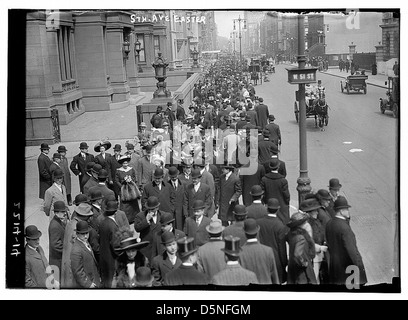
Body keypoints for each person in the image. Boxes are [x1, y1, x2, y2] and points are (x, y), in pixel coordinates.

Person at [325, 196, 367, 286]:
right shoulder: (344, 228)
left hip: (334, 268)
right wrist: (359, 267)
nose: (348, 211)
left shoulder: (329, 224)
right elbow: (351, 251)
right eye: (346, 209)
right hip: (347, 270)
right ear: (341, 211)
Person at [257, 198, 289, 284]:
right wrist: (284, 262)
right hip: (276, 260)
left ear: (267, 208)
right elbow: (282, 247)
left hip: (261, 258)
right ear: (278, 209)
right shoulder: (280, 225)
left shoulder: (258, 222)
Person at [240, 218, 280, 284]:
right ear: (257, 231)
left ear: (244, 232)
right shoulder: (268, 251)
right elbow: (274, 276)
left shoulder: (240, 252)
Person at [299, 198, 329, 284]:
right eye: (314, 211)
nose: (317, 212)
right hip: (313, 257)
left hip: (317, 256)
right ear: (309, 212)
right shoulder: (307, 226)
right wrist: (321, 248)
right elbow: (309, 243)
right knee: (313, 280)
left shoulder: (314, 222)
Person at [286, 211, 317, 285]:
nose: (307, 224)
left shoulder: (291, 234)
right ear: (301, 225)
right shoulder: (301, 237)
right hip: (302, 273)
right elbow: (297, 254)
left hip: (294, 270)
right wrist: (304, 263)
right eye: (305, 222)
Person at [70, 220, 101, 288]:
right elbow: (77, 272)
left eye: (87, 233)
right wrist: (88, 284)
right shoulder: (76, 250)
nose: (85, 236)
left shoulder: (85, 242)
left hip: (93, 279)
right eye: (82, 234)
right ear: (77, 234)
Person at [260, 159, 290, 224]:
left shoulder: (264, 179)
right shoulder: (283, 180)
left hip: (269, 203)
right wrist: (287, 202)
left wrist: (265, 202)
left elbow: (262, 193)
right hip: (281, 205)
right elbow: (286, 195)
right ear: (278, 167)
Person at [99, 200, 121, 288]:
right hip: (111, 259)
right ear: (115, 213)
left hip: (103, 257)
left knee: (105, 281)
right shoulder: (113, 226)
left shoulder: (103, 222)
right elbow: (115, 245)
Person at [134, 196, 163, 261]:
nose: (150, 211)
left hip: (159, 247)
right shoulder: (140, 216)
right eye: (149, 209)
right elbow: (137, 228)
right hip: (147, 249)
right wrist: (146, 220)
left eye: (152, 209)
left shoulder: (163, 215)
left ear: (157, 208)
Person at [115, 155, 140, 224]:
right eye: (124, 163)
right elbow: (116, 180)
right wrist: (122, 185)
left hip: (131, 189)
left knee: (133, 204)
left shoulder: (131, 169)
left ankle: (134, 218)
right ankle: (126, 219)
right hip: (123, 190)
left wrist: (131, 181)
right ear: (122, 164)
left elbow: (134, 177)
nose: (125, 165)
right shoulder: (118, 171)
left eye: (126, 163)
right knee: (125, 205)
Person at [48, 201, 68, 275]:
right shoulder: (54, 225)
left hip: (58, 259)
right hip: (57, 260)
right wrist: (66, 251)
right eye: (62, 212)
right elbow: (55, 245)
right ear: (56, 213)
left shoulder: (58, 221)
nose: (64, 213)